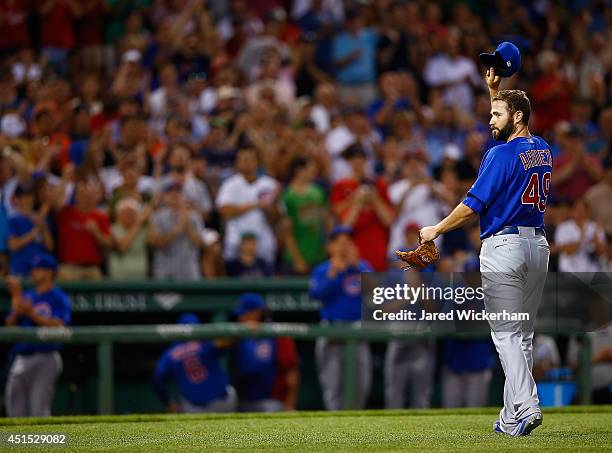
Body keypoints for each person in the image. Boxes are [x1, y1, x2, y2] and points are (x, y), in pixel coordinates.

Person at [418, 66, 551, 436]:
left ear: (518, 116)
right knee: (522, 334)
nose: (490, 120)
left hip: (504, 247)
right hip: (537, 245)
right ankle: (511, 417)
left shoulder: (500, 156)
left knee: (506, 333)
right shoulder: (542, 149)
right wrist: (496, 90)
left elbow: (472, 205)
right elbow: (508, 131)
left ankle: (527, 406)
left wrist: (436, 229)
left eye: (495, 113)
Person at [309, 225, 372, 410]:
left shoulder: (362, 267)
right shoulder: (324, 270)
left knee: (361, 385)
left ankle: (356, 427)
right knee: (332, 388)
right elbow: (316, 295)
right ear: (331, 246)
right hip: (332, 333)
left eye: (348, 241)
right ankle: (334, 428)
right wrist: (334, 274)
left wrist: (357, 267)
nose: (345, 246)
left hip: (357, 332)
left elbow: (376, 295)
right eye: (340, 242)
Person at [4, 254, 72, 417]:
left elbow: (59, 325)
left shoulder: (59, 297)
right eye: (33, 269)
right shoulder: (28, 296)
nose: (34, 272)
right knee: (14, 412)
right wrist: (16, 298)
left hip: (46, 356)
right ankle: (17, 443)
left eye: (38, 269)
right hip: (21, 357)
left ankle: (42, 442)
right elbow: (10, 325)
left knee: (38, 411)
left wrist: (32, 314)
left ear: (50, 272)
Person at [153, 313, 237, 413]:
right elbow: (226, 341)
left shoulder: (170, 353)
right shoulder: (204, 343)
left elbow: (157, 378)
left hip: (194, 408)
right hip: (223, 402)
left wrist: (168, 401)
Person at [230, 293, 300, 412]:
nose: (241, 318)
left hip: (272, 401)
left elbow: (291, 370)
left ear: (257, 312)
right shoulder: (238, 334)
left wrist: (290, 403)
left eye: (245, 314)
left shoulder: (277, 334)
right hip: (242, 400)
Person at [148, 181, 203, 280]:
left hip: (188, 271)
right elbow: (156, 242)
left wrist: (187, 225)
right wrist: (177, 228)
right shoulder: (157, 217)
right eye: (170, 192)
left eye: (178, 192)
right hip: (165, 271)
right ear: (164, 197)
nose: (175, 195)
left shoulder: (194, 217)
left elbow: (199, 244)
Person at [7, 183, 53, 277]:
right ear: (17, 199)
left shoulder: (42, 219)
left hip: (40, 270)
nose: (29, 199)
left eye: (31, 196)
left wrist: (43, 227)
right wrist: (35, 231)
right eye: (25, 196)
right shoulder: (13, 220)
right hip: (20, 270)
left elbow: (50, 247)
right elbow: (13, 245)